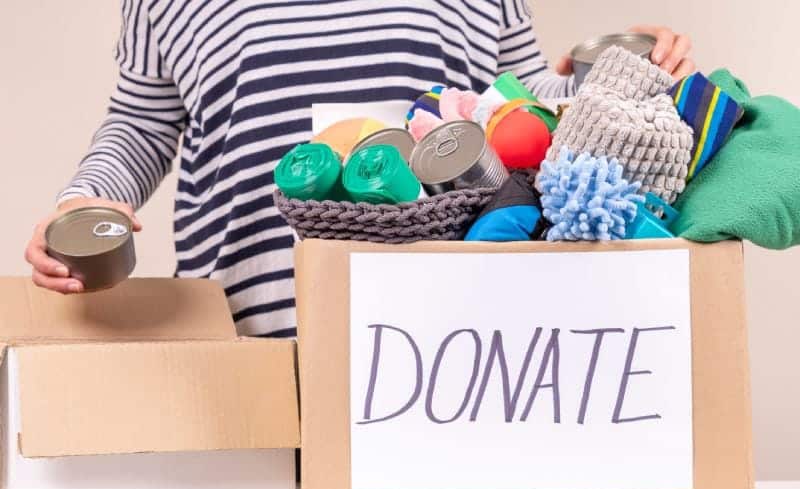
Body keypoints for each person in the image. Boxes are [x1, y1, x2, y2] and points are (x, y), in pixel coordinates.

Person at [24, 0, 694, 338]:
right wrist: (86, 198)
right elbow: (141, 124)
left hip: (446, 337)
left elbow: (519, 105)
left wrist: (626, 74)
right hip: (250, 339)